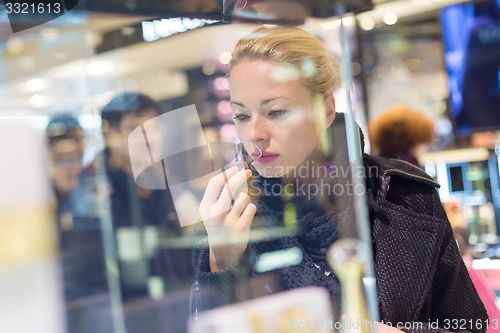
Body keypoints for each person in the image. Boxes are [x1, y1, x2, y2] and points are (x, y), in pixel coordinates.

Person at [193, 27, 488, 333]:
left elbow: (470, 325)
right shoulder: (230, 215)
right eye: (241, 116)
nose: (254, 133)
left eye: (276, 111)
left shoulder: (404, 194)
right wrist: (220, 261)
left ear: (327, 109)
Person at [85, 92, 194, 301]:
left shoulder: (166, 180)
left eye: (156, 128)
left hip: (171, 298)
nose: (150, 137)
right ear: (111, 135)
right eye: (138, 128)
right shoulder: (94, 185)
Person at [368, 104, 435, 168]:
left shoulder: (373, 164)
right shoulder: (411, 170)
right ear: (415, 141)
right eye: (424, 143)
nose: (424, 151)